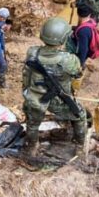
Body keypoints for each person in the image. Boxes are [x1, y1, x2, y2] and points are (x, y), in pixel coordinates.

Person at [21, 17, 86, 157]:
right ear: (62, 39)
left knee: (32, 124)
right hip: (58, 100)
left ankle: (32, 145)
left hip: (35, 97)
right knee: (80, 115)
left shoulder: (32, 52)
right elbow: (77, 74)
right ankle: (80, 145)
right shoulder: (69, 60)